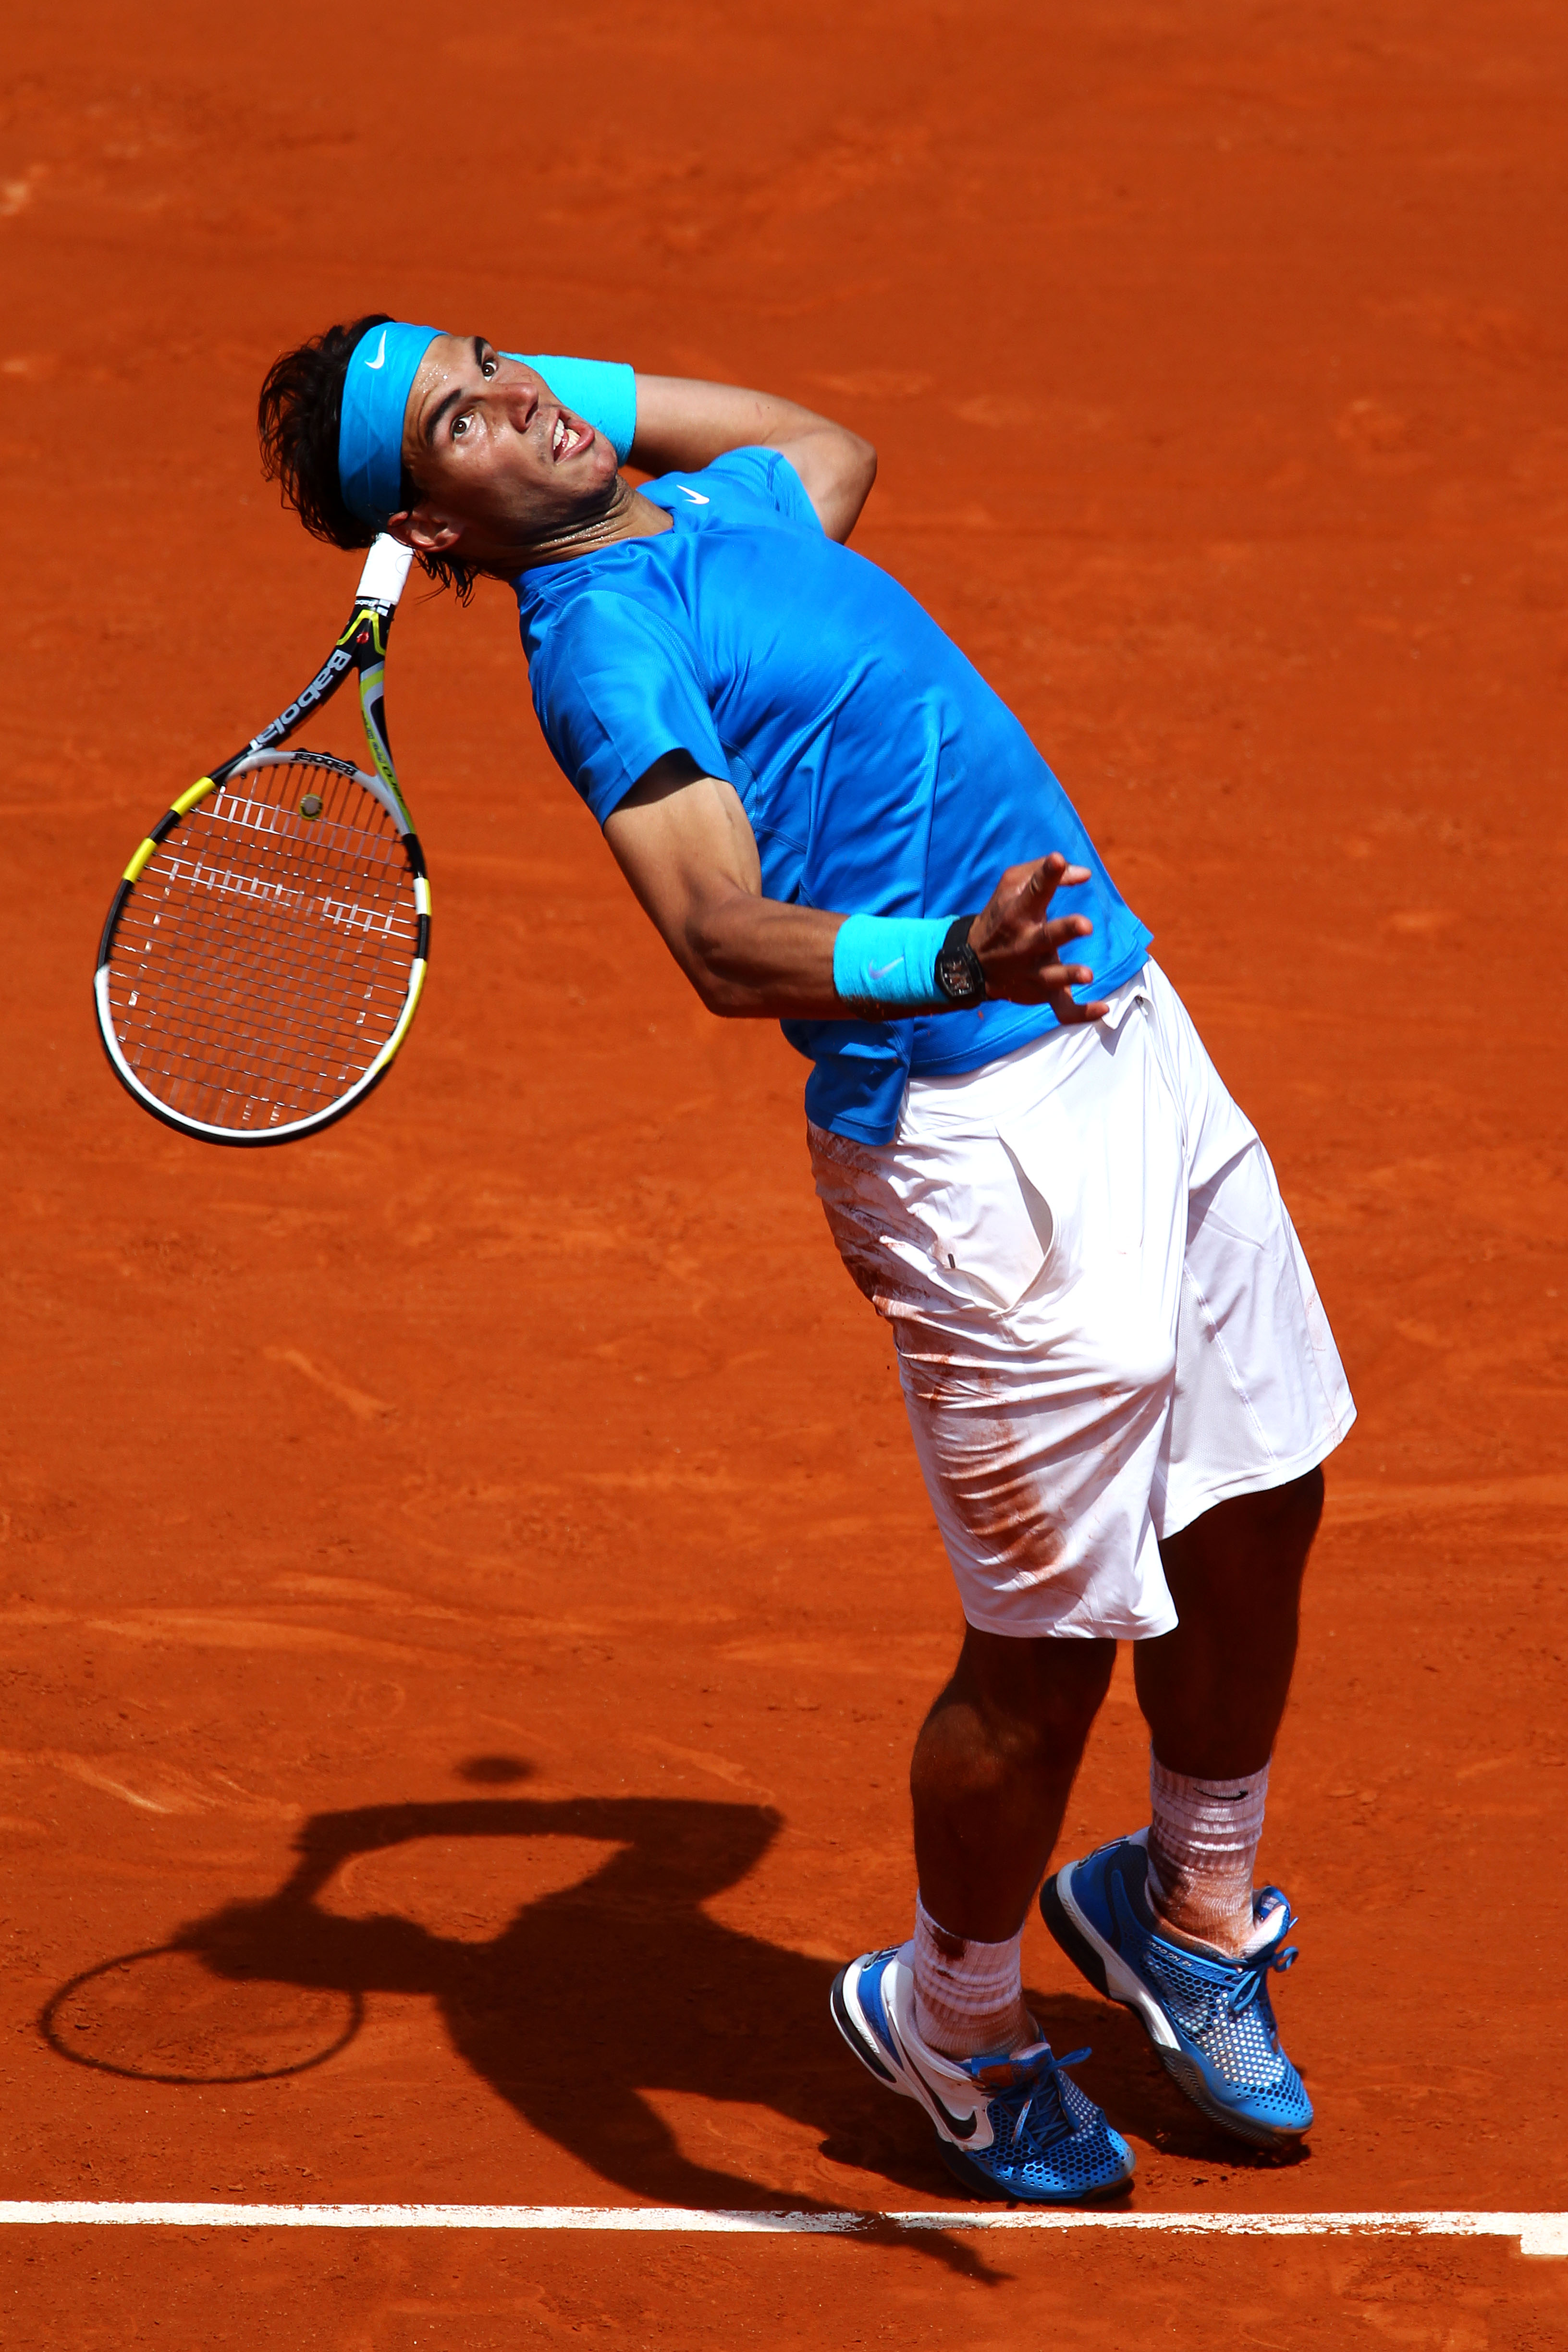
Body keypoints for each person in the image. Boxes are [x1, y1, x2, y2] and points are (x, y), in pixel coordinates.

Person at [255, 317, 1356, 2204]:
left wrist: (524, 415)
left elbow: (825, 438)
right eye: (464, 421)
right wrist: (945, 959)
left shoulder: (723, 510)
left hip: (1123, 1031)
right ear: (435, 541)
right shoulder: (607, 649)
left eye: (498, 357)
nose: (525, 398)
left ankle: (1187, 1908)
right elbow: (714, 934)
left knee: (1262, 1494)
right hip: (975, 1137)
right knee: (1046, 1653)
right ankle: (956, 2019)